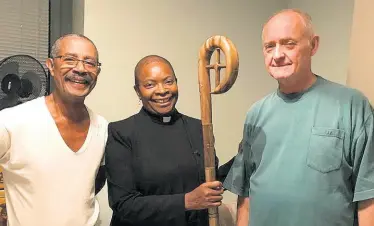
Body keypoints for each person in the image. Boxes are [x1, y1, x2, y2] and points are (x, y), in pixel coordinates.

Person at [223, 9, 374, 226]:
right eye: (269, 46)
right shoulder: (256, 114)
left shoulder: (352, 106)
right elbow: (245, 193)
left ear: (313, 45)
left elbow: (368, 194)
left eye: (289, 43)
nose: (277, 55)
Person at [105, 55, 234, 226]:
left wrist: (242, 158)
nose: (162, 90)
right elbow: (123, 203)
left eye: (168, 81)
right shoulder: (122, 132)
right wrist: (186, 201)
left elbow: (209, 184)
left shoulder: (198, 128)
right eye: (150, 84)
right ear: (137, 91)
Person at [0, 34, 107, 226]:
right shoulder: (11, 121)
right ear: (50, 65)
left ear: (97, 72)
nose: (80, 69)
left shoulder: (103, 128)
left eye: (90, 63)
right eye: (69, 59)